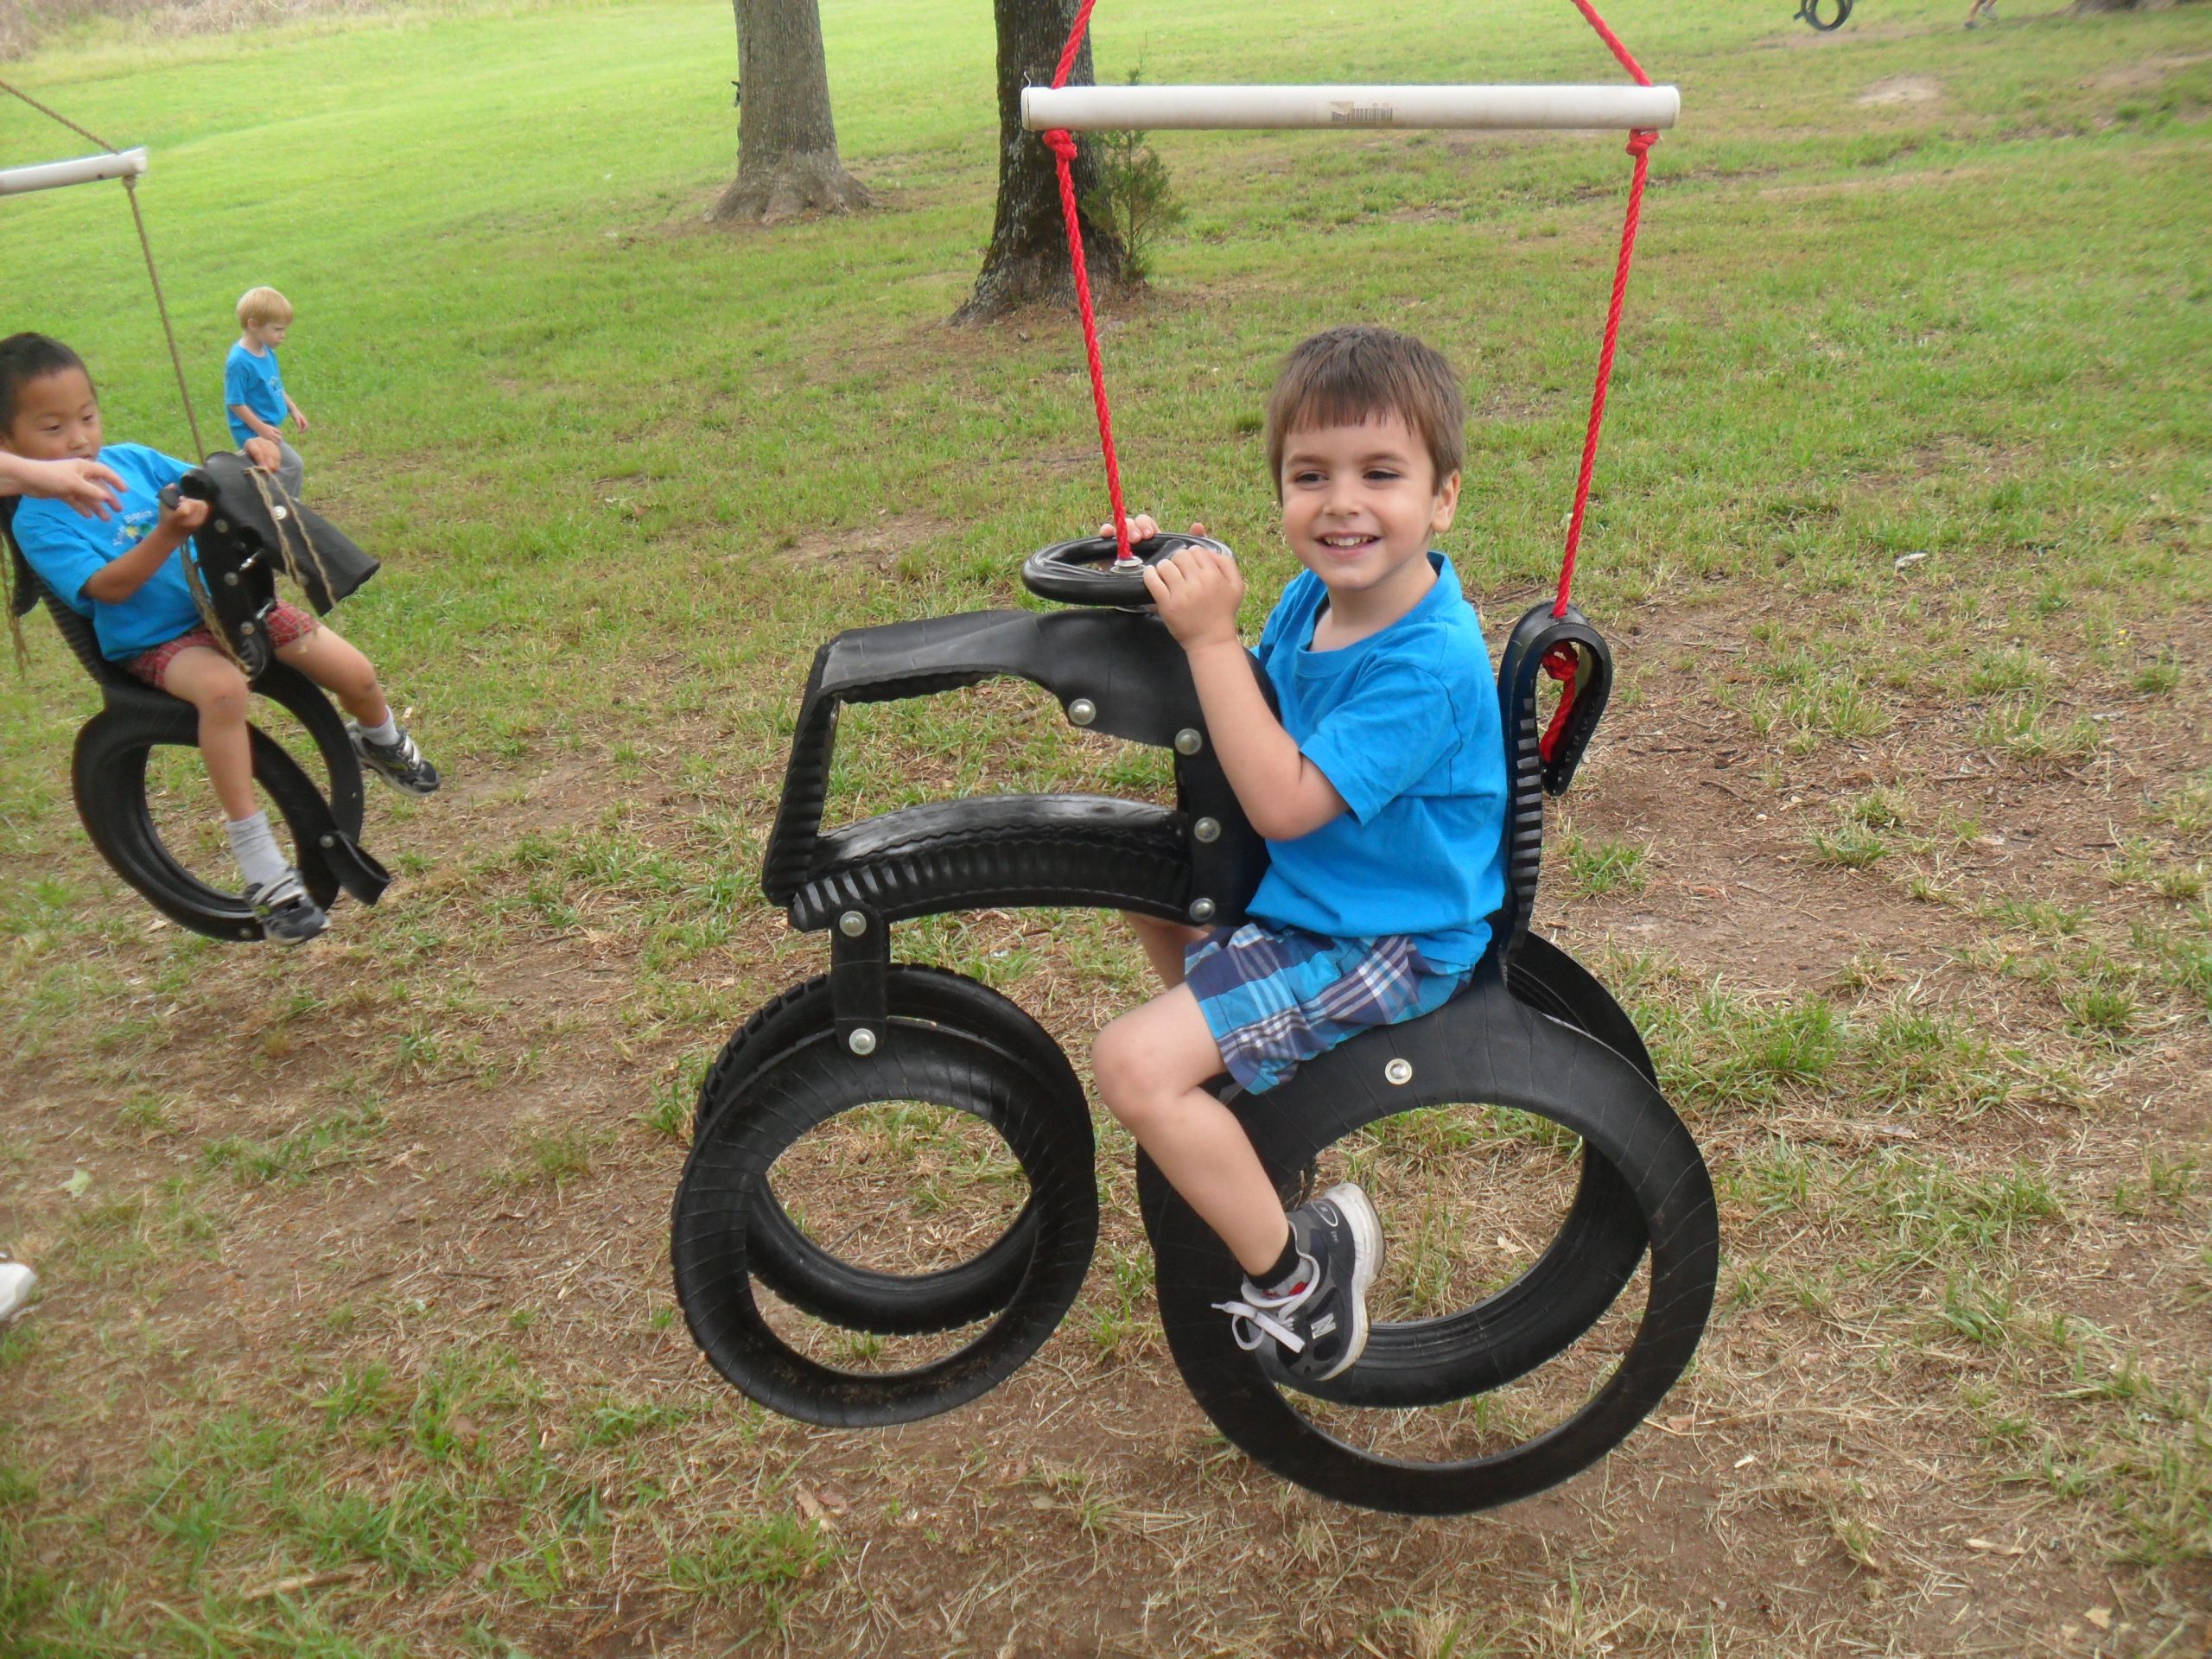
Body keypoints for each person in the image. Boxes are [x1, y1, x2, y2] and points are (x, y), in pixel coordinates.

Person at [1090, 326, 1507, 1382]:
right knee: (1139, 877)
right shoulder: (1311, 602)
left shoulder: (1427, 662)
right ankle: (1249, 1094)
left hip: (1387, 936)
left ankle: (1299, 1276)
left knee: (1134, 1067)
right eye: (1310, 475)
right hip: (1320, 900)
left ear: (1443, 498)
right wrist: (1170, 579)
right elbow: (1250, 709)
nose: (1341, 504)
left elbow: (1280, 801)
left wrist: (1206, 638)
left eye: (1380, 474)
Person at [2, 332, 438, 942]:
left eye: (87, 417)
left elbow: (210, 485)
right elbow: (109, 589)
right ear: (7, 445)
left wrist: (250, 461)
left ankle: (379, 739)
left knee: (354, 672)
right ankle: (261, 866)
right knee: (224, 692)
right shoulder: (38, 521)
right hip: (156, 641)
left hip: (232, 611)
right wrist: (166, 535)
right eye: (52, 428)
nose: (78, 438)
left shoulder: (132, 461)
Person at [223, 286, 309, 496]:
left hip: (265, 428)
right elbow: (235, 403)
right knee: (293, 465)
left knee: (269, 470)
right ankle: (285, 506)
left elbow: (275, 385)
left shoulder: (266, 351)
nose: (283, 335)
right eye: (277, 329)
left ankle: (267, 502)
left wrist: (293, 409)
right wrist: (260, 428)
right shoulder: (239, 362)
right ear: (253, 325)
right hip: (252, 432)